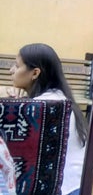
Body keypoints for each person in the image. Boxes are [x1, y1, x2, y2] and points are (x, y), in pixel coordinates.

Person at [10, 43, 88, 195]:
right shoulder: (57, 99)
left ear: (35, 73)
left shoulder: (44, 107)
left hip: (63, 189)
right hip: (75, 183)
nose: (11, 70)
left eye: (17, 66)